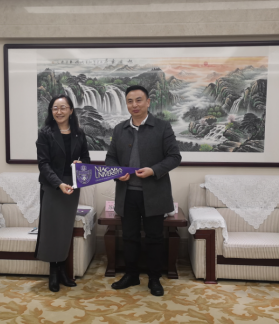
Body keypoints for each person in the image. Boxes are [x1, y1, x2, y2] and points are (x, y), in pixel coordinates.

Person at [105, 85, 181, 296]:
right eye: (130, 101)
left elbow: (175, 157)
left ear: (148, 102)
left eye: (139, 100)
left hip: (154, 193)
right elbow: (110, 158)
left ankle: (154, 278)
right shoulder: (119, 129)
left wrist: (153, 170)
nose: (134, 105)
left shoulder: (162, 127)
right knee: (129, 236)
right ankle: (131, 275)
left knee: (155, 237)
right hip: (127, 193)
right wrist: (117, 172)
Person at [35, 94, 90, 292]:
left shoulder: (79, 133)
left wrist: (80, 163)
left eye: (63, 107)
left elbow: (86, 158)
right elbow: (43, 164)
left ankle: (63, 271)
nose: (59, 111)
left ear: (71, 110)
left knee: (65, 229)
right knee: (52, 229)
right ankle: (53, 272)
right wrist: (58, 184)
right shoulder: (45, 133)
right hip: (53, 186)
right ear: (51, 112)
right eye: (55, 108)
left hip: (72, 186)